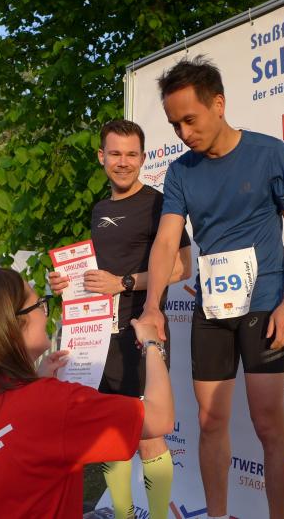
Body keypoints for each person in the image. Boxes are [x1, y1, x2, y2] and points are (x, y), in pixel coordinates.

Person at [137, 56, 284, 519]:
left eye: (190, 119)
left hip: (265, 305)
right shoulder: (180, 171)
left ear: (218, 104)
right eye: (174, 124)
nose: (183, 133)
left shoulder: (269, 153)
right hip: (212, 309)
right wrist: (153, 305)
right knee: (209, 420)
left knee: (268, 423)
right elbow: (167, 241)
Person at [0, 268, 174, 518]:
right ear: (12, 324)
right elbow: (160, 418)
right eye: (39, 305)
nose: (46, 314)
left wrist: (36, 381)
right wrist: (152, 344)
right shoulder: (52, 405)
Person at [49, 119, 191, 519]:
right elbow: (99, 273)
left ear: (143, 158)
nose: (123, 162)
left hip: (141, 332)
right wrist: (68, 283)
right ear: (102, 157)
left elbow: (182, 268)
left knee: (148, 435)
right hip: (99, 338)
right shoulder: (100, 209)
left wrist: (123, 283)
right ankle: (124, 515)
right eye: (115, 154)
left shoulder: (160, 203)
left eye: (131, 154)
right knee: (111, 433)